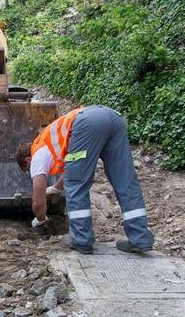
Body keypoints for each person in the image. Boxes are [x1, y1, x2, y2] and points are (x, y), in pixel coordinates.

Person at [15, 105, 154, 254]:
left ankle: (81, 240)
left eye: (28, 169)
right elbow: (71, 170)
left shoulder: (37, 155)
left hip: (87, 124)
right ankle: (140, 238)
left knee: (76, 184)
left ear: (28, 159)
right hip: (113, 118)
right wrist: (55, 188)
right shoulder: (49, 142)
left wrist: (40, 219)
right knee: (124, 180)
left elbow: (38, 201)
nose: (32, 172)